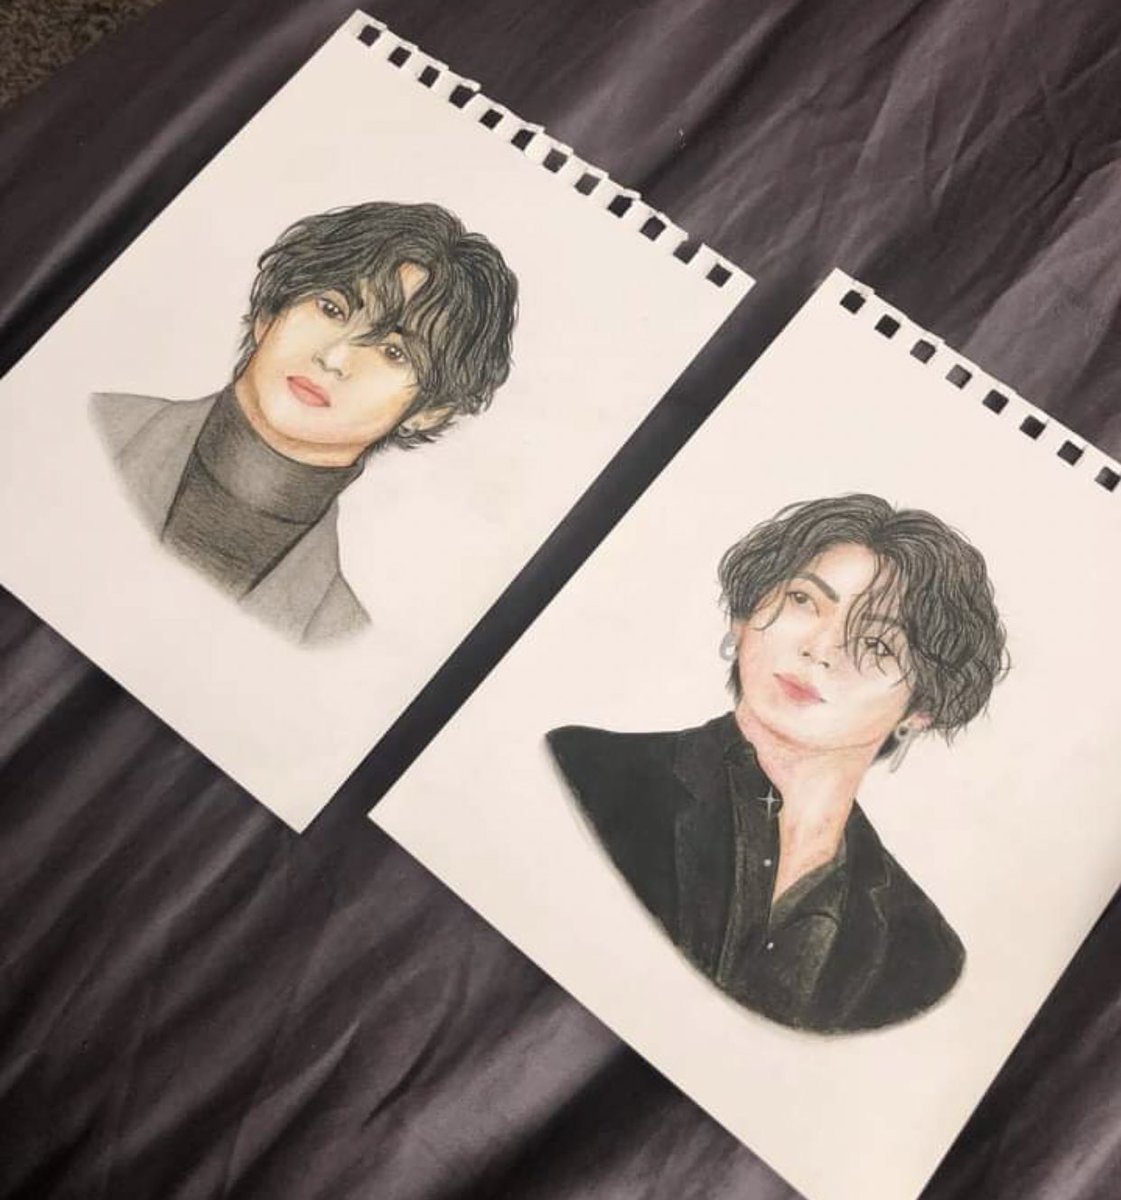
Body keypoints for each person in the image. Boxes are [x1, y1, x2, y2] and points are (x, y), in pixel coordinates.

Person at [547, 494, 1008, 1034]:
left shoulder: (926, 953)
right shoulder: (585, 772)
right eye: (803, 600)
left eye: (879, 644)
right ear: (744, 617)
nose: (821, 648)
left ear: (921, 709)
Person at [92, 201, 519, 644]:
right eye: (331, 309)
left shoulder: (335, 633)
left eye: (393, 352)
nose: (333, 358)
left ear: (430, 411)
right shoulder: (96, 428)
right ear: (269, 312)